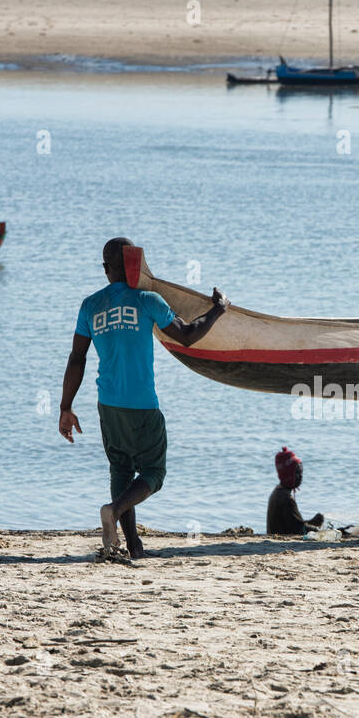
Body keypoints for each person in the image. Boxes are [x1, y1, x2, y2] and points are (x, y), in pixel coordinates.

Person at [59, 237, 230, 558]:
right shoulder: (149, 300)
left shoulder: (90, 305)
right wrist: (218, 309)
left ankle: (133, 543)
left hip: (107, 404)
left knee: (121, 471)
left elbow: (76, 358)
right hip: (142, 405)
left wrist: (65, 406)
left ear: (106, 269)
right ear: (136, 266)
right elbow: (189, 335)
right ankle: (114, 509)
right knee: (154, 473)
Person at [266, 446, 324, 535]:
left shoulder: (277, 492)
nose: (300, 477)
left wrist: (312, 522)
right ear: (288, 475)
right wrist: (321, 531)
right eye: (297, 473)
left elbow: (293, 523)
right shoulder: (287, 499)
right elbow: (299, 529)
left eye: (301, 473)